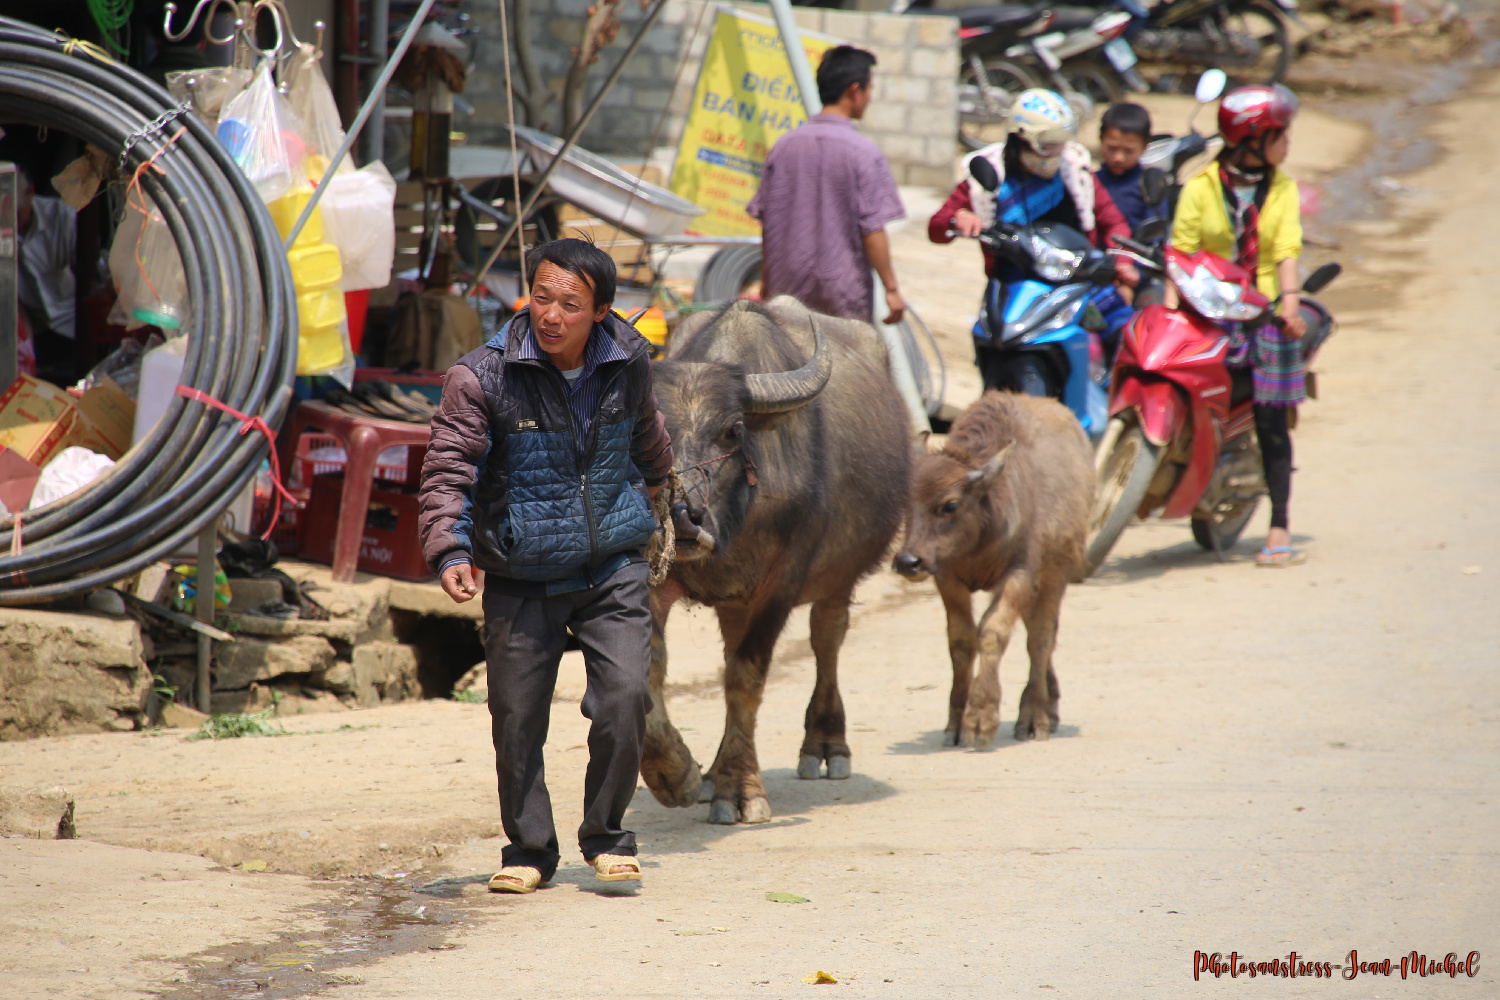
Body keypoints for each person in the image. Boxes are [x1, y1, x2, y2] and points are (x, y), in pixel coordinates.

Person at [417, 238, 675, 893]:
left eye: (570, 304)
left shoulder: (629, 361)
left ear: (602, 312)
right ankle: (529, 850)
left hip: (611, 564)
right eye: (541, 297)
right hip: (521, 571)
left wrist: (666, 493)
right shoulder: (482, 376)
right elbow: (448, 467)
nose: (551, 315)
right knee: (516, 717)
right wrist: (449, 548)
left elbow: (649, 438)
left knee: (625, 699)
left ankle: (607, 837)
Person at [1167, 84, 1308, 567]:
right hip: (1209, 310)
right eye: (1280, 134)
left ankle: (1279, 524)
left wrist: (1289, 307)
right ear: (1252, 138)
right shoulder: (1200, 188)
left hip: (1264, 312)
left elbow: (1286, 253)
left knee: (1271, 420)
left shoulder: (1284, 189)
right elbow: (1179, 254)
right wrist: (1170, 311)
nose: (1288, 143)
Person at [746, 45, 906, 325]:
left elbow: (768, 224)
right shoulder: (863, 152)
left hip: (787, 292)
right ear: (855, 90)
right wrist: (891, 289)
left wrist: (767, 282)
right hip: (842, 296)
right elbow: (872, 230)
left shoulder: (784, 147)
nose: (869, 97)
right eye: (869, 89)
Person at [928, 89, 1138, 289]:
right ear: (1021, 140)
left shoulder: (1075, 170)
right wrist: (957, 218)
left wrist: (1122, 262)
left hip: (1073, 283)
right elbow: (937, 226)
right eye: (1048, 145)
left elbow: (1114, 223)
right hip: (1011, 285)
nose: (1056, 153)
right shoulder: (989, 174)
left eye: (1060, 145)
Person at [15, 169, 79, 386]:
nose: (13, 221)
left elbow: (92, 271)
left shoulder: (63, 218)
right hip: (32, 328)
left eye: (17, 212)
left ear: (31, 193)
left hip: (72, 323)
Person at [1095, 102, 1163, 236]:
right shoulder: (1089, 182)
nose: (1119, 158)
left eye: (1129, 151)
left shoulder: (1149, 186)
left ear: (1145, 146)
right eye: (1112, 148)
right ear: (1101, 139)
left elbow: (1156, 233)